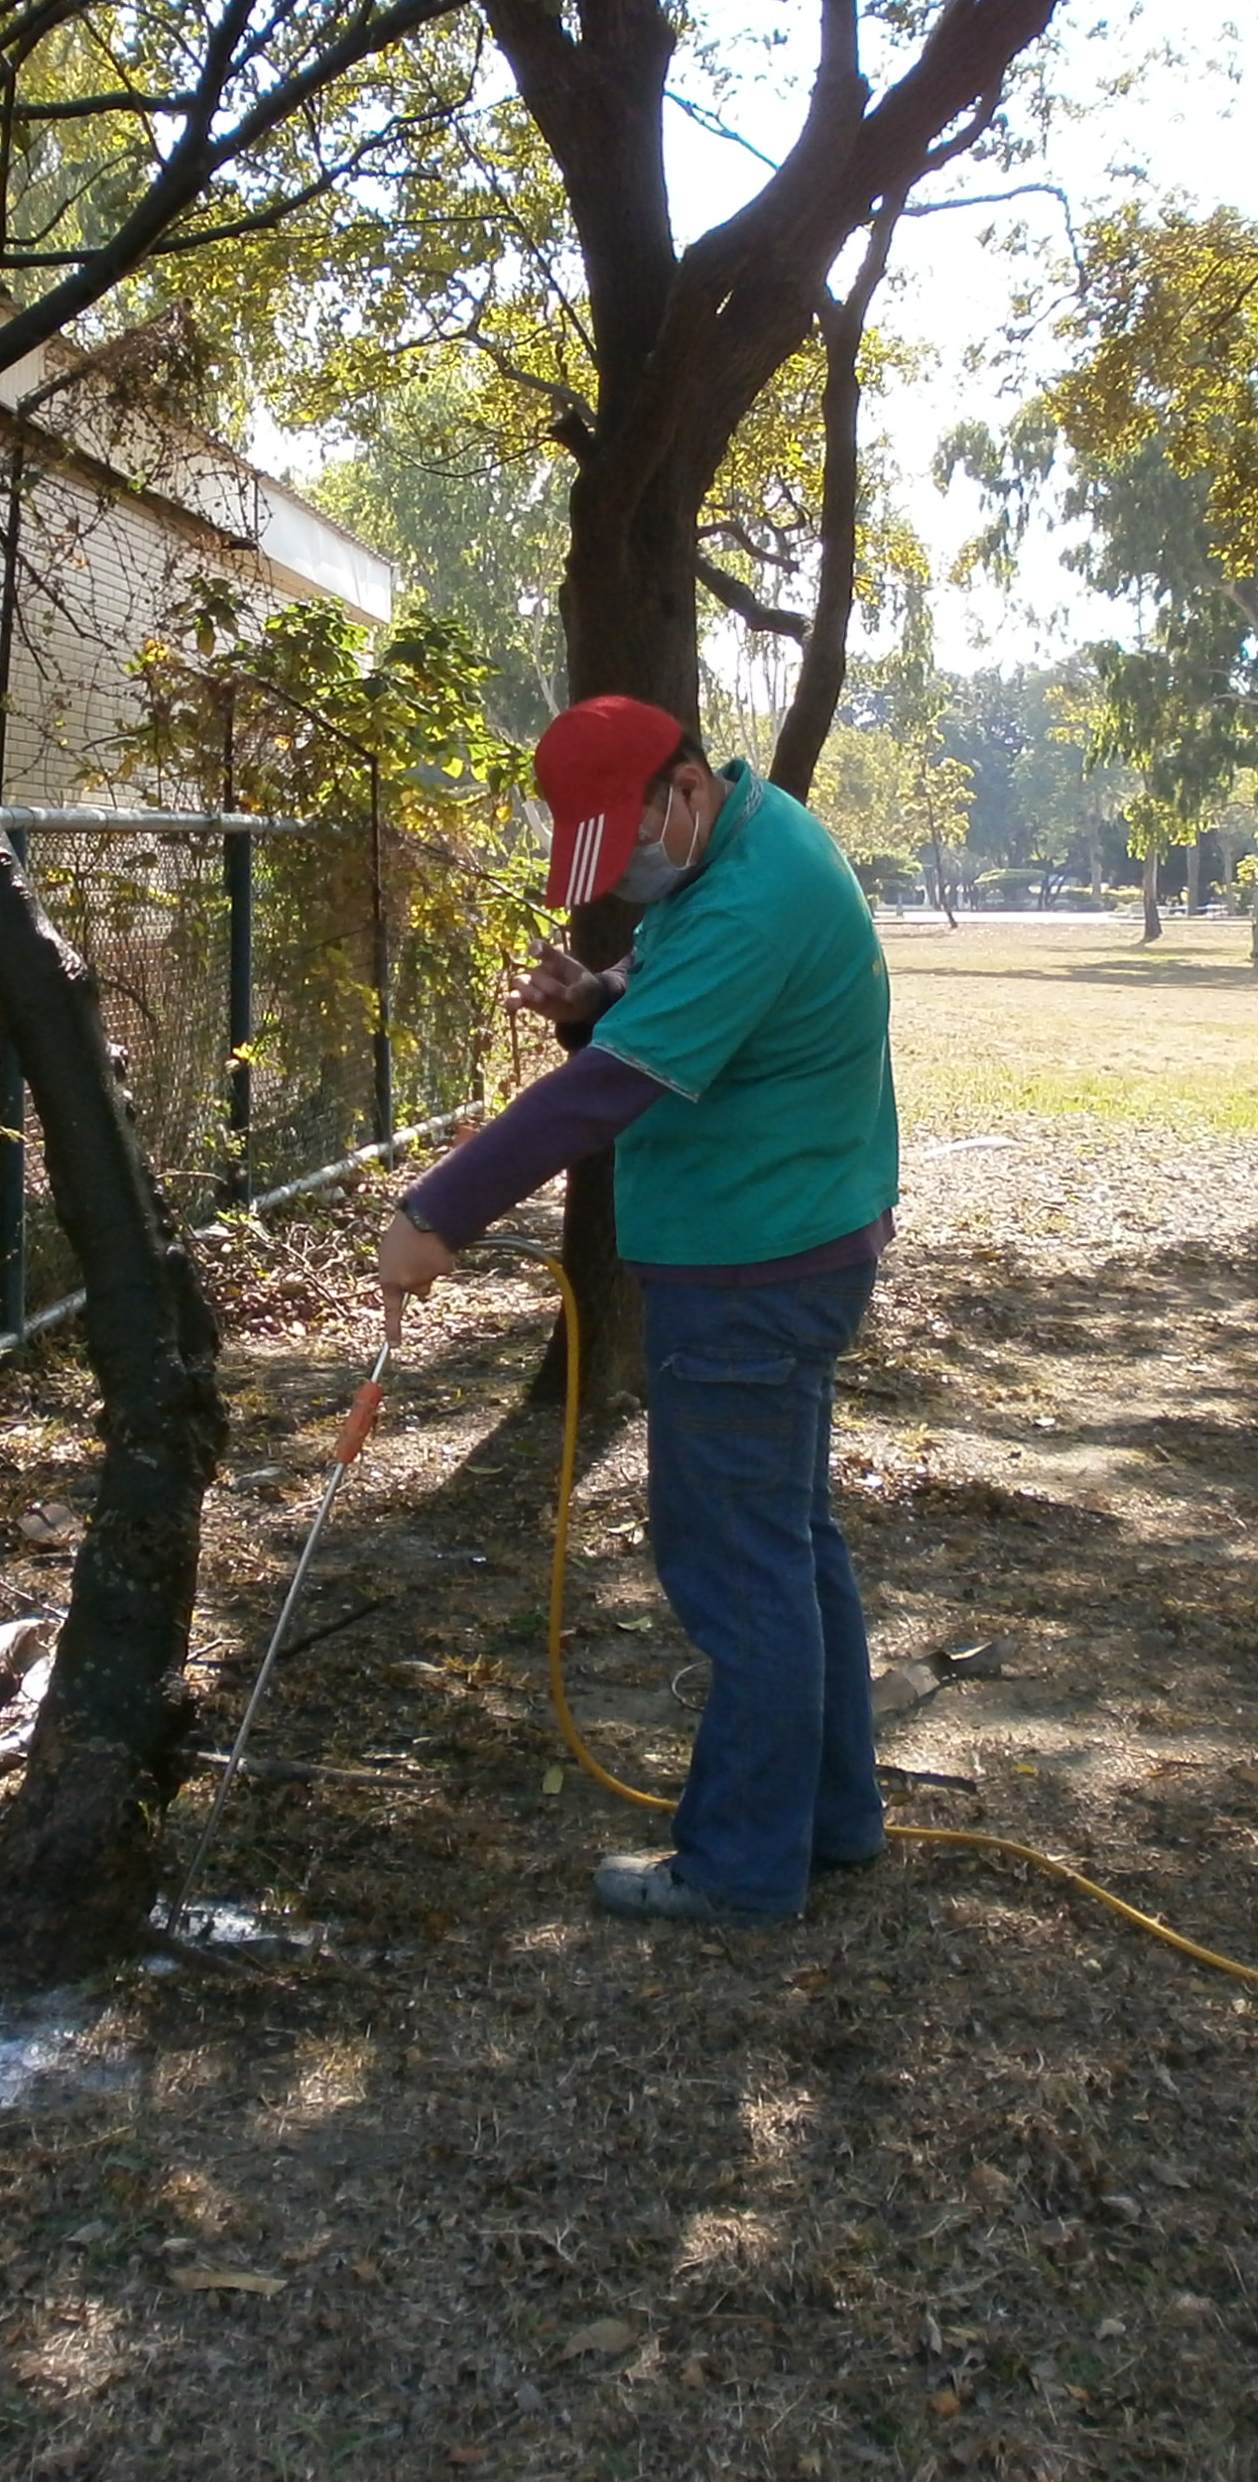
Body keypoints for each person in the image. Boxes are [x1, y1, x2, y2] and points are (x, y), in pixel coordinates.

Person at [378, 694, 901, 1928]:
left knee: (737, 1569)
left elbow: (598, 1098)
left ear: (685, 788)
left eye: (628, 849)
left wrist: (436, 1215)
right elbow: (666, 974)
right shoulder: (751, 836)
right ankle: (829, 1820)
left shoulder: (754, 899)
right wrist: (599, 991)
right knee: (786, 1547)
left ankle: (738, 1870)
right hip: (788, 1244)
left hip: (751, 1270)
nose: (625, 881)